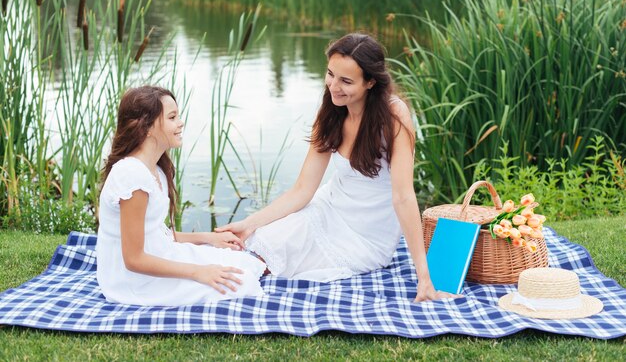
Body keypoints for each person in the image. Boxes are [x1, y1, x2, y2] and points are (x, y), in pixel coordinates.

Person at [217, 33, 455, 302]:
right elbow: (303, 190)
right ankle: (190, 267)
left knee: (277, 265)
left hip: (365, 236)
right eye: (331, 74)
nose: (333, 86)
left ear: (370, 82)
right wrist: (249, 224)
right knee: (262, 245)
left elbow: (403, 196)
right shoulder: (331, 111)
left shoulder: (393, 116)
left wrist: (424, 277)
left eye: (346, 81)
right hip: (327, 208)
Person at [96, 86, 265, 306]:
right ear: (147, 127)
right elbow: (134, 259)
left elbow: (157, 235)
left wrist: (209, 238)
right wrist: (199, 272)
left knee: (243, 264)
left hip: (160, 257)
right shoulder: (131, 176)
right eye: (172, 117)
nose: (180, 123)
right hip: (135, 281)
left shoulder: (155, 170)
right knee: (241, 284)